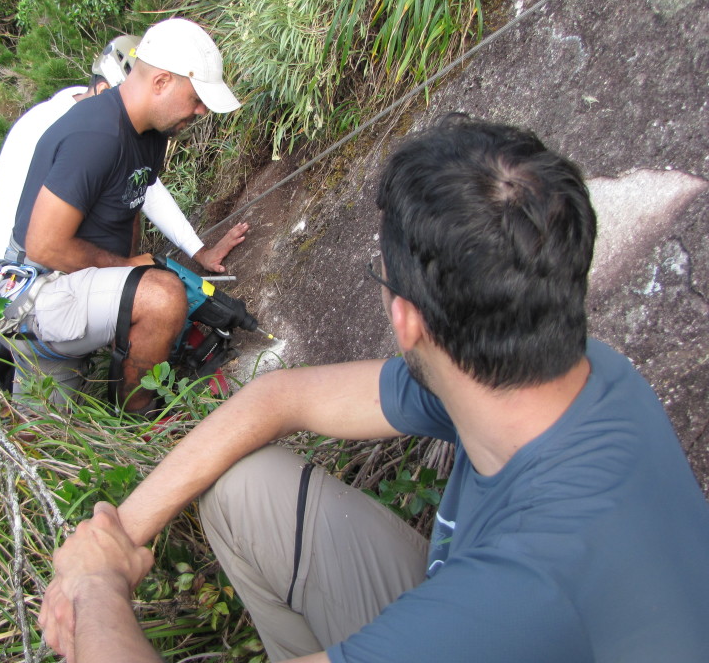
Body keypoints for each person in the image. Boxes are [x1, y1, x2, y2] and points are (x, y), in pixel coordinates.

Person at [38, 114, 709, 662]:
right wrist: (116, 535)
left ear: (406, 319)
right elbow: (280, 399)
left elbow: (504, 608)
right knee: (243, 488)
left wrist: (95, 589)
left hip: (501, 619)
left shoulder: (523, 594)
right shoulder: (554, 364)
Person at [9, 18, 248, 413]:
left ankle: (123, 396)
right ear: (161, 83)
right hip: (41, 292)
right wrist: (128, 271)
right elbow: (43, 244)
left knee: (157, 283)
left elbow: (129, 205)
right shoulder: (95, 136)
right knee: (164, 296)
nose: (202, 110)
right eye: (196, 98)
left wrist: (130, 274)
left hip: (80, 285)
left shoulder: (149, 135)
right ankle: (138, 421)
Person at [0, 35, 212, 273]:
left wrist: (198, 251)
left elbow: (140, 188)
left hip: (60, 247)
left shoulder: (93, 107)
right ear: (105, 88)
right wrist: (126, 268)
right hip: (16, 265)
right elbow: (44, 243)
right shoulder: (64, 127)